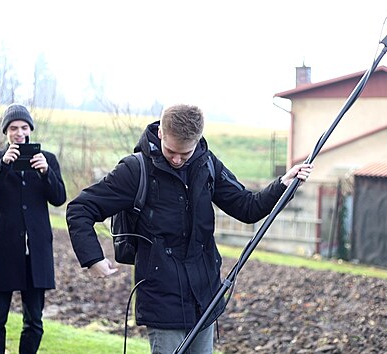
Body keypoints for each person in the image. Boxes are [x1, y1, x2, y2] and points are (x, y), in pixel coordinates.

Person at [66, 104, 313, 353]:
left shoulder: (207, 165)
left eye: (185, 154)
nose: (177, 159)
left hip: (205, 297)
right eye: (171, 151)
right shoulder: (134, 170)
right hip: (161, 298)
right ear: (161, 132)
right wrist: (92, 258)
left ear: (197, 140)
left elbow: (247, 207)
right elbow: (80, 208)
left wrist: (283, 184)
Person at [0, 103, 66, 354]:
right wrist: (3, 165)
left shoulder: (47, 160)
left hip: (36, 253)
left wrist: (46, 173)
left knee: (34, 322)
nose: (19, 132)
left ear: (30, 130)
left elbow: (59, 198)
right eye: (13, 128)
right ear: (6, 131)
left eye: (24, 127)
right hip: (5, 251)